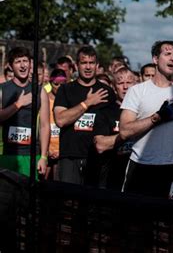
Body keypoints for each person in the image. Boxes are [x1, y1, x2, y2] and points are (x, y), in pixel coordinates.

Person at [120, 40, 173, 199]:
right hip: (141, 166)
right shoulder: (137, 91)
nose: (172, 58)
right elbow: (124, 131)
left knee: (169, 221)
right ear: (155, 59)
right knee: (134, 220)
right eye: (167, 54)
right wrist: (157, 118)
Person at [54, 45, 115, 184]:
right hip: (70, 156)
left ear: (97, 65)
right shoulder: (65, 89)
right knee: (68, 202)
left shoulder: (106, 92)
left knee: (93, 203)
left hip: (97, 158)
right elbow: (60, 120)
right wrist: (87, 103)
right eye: (84, 63)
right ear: (77, 65)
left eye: (91, 63)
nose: (88, 67)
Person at [0, 47, 50, 178]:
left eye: (25, 61)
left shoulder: (40, 91)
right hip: (6, 154)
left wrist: (44, 157)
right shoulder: (2, 89)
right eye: (18, 62)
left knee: (29, 197)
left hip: (32, 155)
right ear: (10, 66)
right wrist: (19, 104)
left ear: (30, 63)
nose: (23, 65)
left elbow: (45, 125)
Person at [91, 66, 137, 189]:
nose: (125, 87)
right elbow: (100, 145)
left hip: (135, 179)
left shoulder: (144, 113)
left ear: (136, 85)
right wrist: (130, 132)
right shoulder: (105, 112)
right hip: (110, 180)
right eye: (121, 83)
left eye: (129, 83)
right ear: (114, 87)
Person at [45, 68, 69, 180]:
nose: (59, 87)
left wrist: (62, 150)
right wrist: (46, 150)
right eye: (55, 84)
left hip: (62, 149)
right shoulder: (43, 98)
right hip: (45, 149)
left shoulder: (69, 101)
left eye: (62, 84)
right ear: (50, 83)